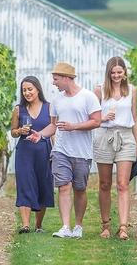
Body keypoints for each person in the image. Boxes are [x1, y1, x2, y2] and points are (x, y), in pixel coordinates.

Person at [48, 62, 102, 239]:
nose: (54, 83)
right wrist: (40, 136)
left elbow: (96, 121)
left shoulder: (88, 97)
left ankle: (78, 225)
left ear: (66, 78)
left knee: (80, 189)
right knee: (64, 186)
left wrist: (74, 127)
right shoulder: (56, 100)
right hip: (61, 150)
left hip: (81, 152)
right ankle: (65, 226)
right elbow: (53, 126)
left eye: (56, 79)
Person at [93, 56, 137, 240]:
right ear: (108, 73)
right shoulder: (99, 91)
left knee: (123, 184)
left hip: (125, 137)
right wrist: (104, 118)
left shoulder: (132, 90)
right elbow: (94, 118)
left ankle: (123, 227)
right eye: (113, 72)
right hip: (104, 136)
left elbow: (135, 118)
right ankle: (106, 225)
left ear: (124, 73)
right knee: (105, 184)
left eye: (119, 72)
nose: (116, 75)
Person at [9, 76, 57, 234]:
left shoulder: (49, 107)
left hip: (43, 151)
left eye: (30, 89)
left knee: (43, 185)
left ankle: (38, 225)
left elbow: (53, 130)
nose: (27, 93)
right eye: (24, 90)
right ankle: (25, 225)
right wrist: (19, 131)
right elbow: (13, 132)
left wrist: (55, 151)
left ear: (38, 89)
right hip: (24, 152)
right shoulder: (18, 109)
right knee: (25, 184)